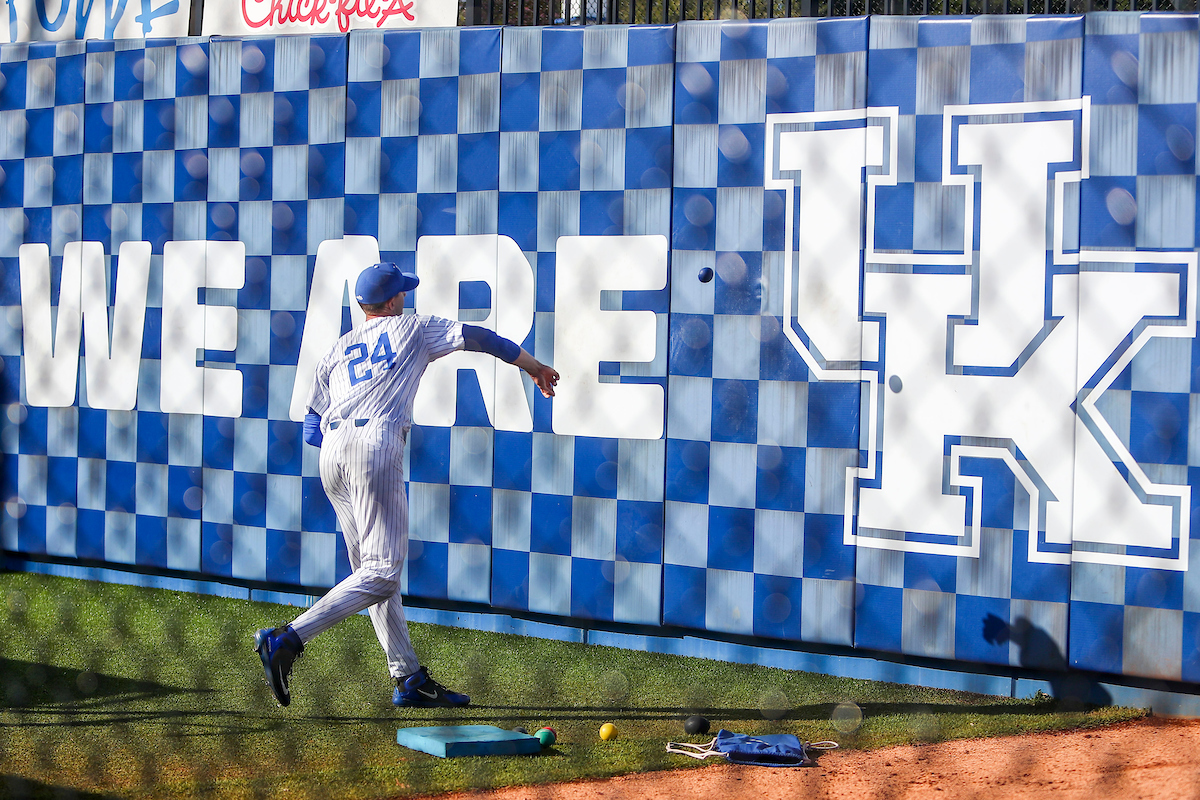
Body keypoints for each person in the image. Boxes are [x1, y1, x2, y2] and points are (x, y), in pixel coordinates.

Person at [254, 262, 559, 708]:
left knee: (372, 575)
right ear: (394, 301)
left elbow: (310, 425)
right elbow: (483, 339)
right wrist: (533, 366)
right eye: (403, 294)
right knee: (381, 573)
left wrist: (342, 449)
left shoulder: (337, 350)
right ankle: (288, 639)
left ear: (362, 306)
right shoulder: (412, 327)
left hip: (332, 453)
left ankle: (408, 678)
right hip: (374, 446)